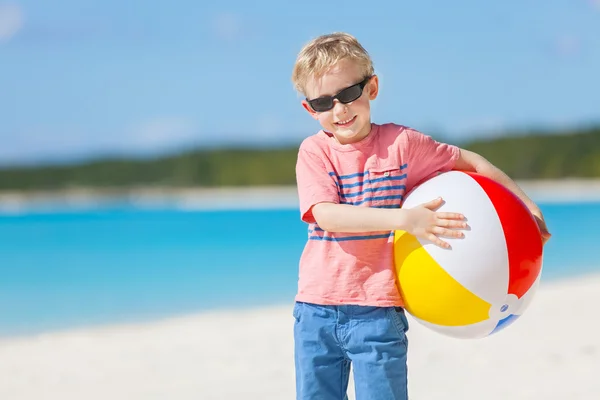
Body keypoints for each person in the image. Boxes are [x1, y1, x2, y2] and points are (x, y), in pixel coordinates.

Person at [290, 32, 551, 400]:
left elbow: (471, 162)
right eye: (323, 102)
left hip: (378, 311)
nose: (339, 110)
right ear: (309, 109)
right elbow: (326, 215)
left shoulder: (402, 145)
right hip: (316, 310)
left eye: (348, 94)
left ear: (372, 87)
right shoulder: (315, 152)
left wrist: (526, 206)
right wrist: (405, 220)